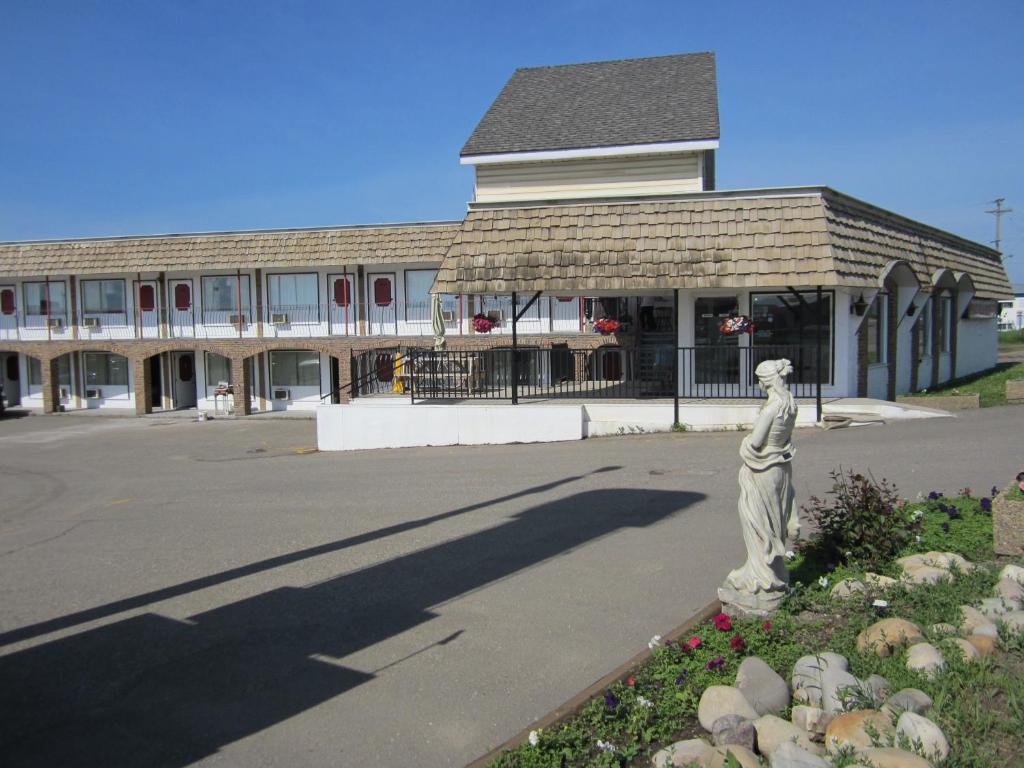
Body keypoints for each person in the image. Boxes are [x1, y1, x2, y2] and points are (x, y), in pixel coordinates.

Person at [719, 359, 800, 615]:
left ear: (767, 380)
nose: (758, 384)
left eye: (759, 379)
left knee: (758, 523)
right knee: (774, 522)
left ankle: (762, 578)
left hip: (763, 470)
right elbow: (784, 438)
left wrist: (743, 443)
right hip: (781, 466)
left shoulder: (772, 408)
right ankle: (774, 573)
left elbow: (755, 443)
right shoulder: (790, 404)